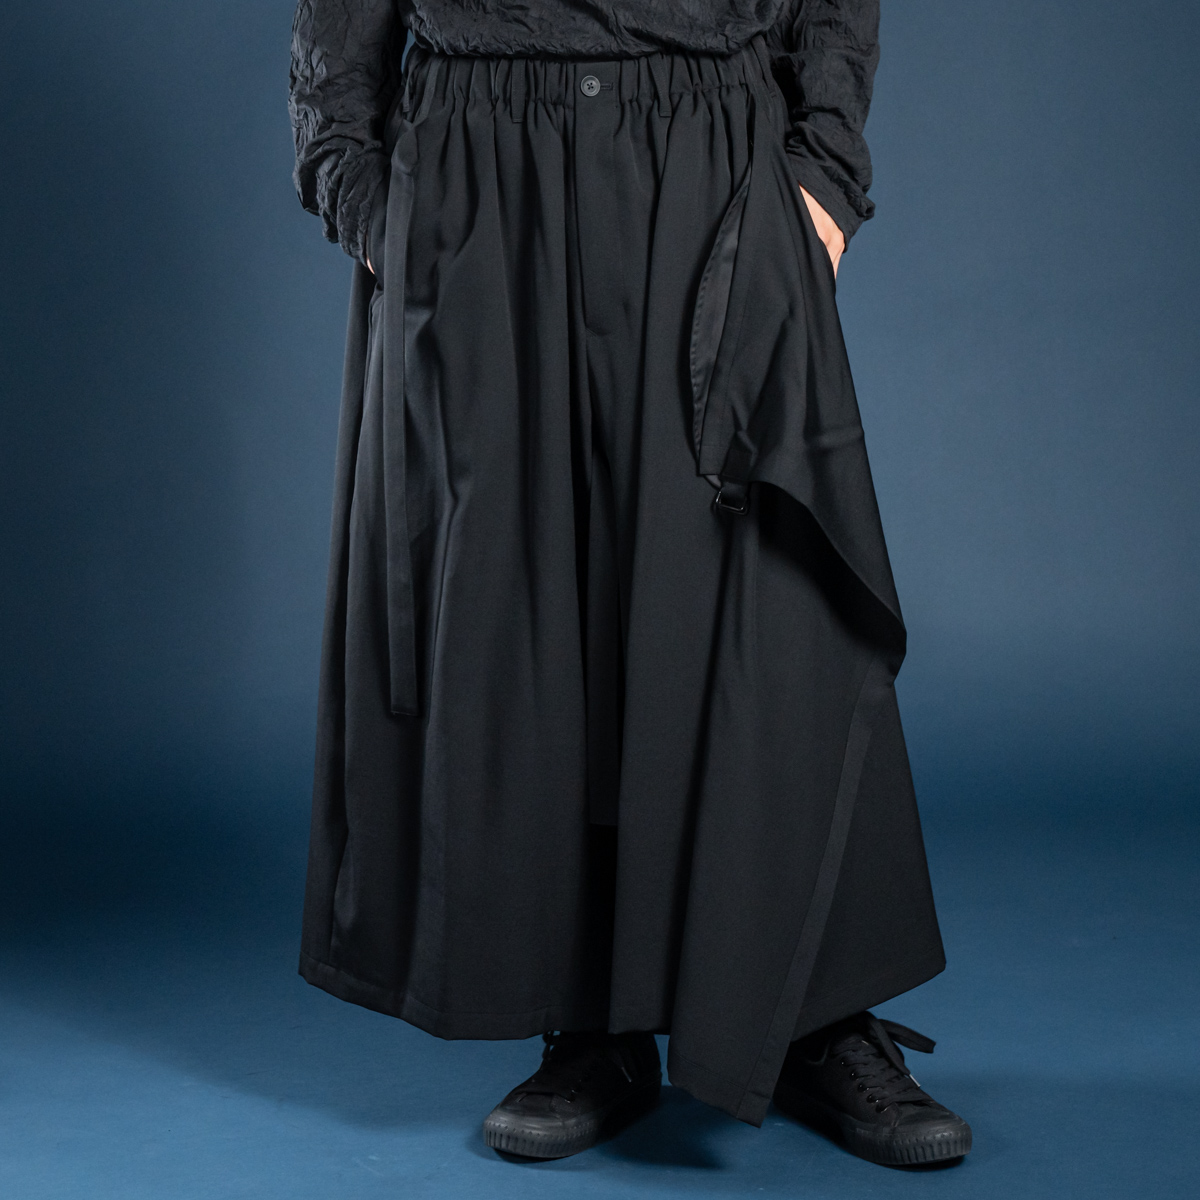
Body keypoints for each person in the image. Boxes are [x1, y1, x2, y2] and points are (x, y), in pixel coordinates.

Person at [288, 0, 972, 1169]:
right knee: (527, 609)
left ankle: (811, 1014)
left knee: (760, 587)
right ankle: (590, 1022)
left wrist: (822, 177)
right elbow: (336, 40)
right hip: (478, 174)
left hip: (706, 148)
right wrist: (369, 197)